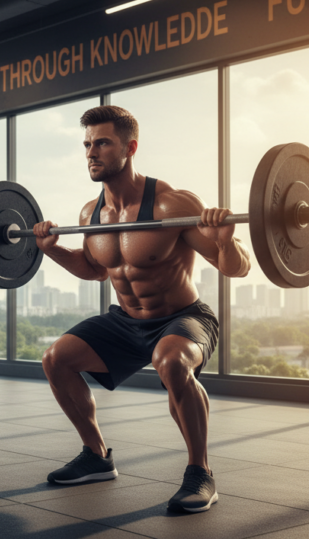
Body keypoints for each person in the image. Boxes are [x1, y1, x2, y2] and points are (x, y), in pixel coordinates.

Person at [35, 106, 250, 513]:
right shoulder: (90, 214)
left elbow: (235, 268)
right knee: (55, 359)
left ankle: (200, 473)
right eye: (86, 144)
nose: (90, 153)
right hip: (126, 321)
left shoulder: (171, 205)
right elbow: (96, 270)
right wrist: (53, 251)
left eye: (101, 143)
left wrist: (225, 240)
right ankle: (96, 455)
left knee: (170, 363)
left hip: (183, 318)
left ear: (130, 148)